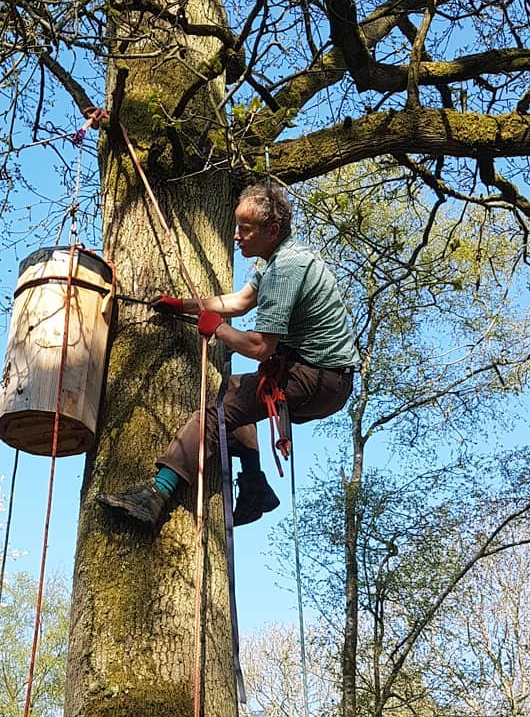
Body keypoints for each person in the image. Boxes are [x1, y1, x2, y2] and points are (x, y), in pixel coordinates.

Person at [97, 180, 359, 528]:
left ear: (272, 229)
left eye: (246, 229)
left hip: (316, 377)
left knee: (215, 412)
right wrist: (185, 307)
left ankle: (154, 496)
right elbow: (237, 302)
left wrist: (215, 328)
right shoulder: (277, 261)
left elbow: (259, 347)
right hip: (328, 380)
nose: (237, 236)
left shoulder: (285, 270)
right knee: (236, 392)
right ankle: (254, 486)